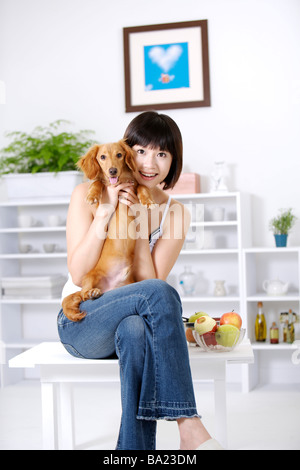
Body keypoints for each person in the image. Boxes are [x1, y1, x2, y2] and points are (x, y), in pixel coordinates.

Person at [57, 111, 223, 450]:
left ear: (173, 161)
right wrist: (104, 214)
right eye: (141, 150)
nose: (149, 163)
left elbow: (151, 286)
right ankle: (187, 423)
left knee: (136, 330)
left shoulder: (176, 213)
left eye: (162, 153)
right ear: (125, 152)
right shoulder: (86, 195)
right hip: (84, 321)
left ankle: (132, 453)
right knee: (158, 298)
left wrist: (138, 221)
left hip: (131, 325)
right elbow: (78, 273)